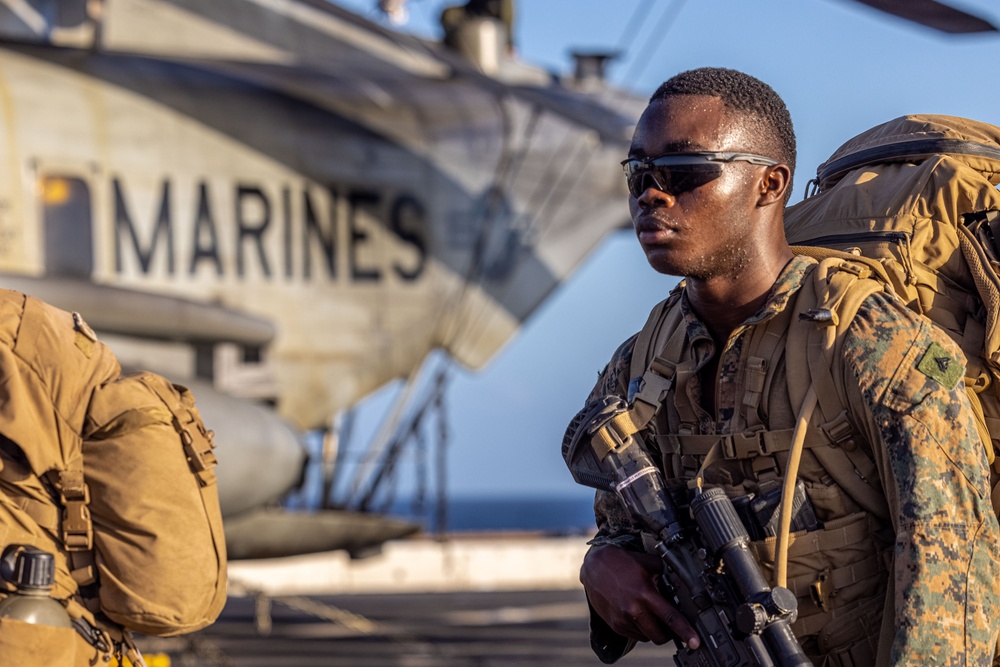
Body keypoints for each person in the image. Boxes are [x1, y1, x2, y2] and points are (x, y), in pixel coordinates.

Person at [576, 67, 1000, 665]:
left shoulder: (872, 342)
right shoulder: (645, 358)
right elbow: (621, 520)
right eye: (638, 173)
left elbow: (951, 575)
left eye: (683, 171)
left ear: (770, 184)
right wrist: (603, 564)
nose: (651, 193)